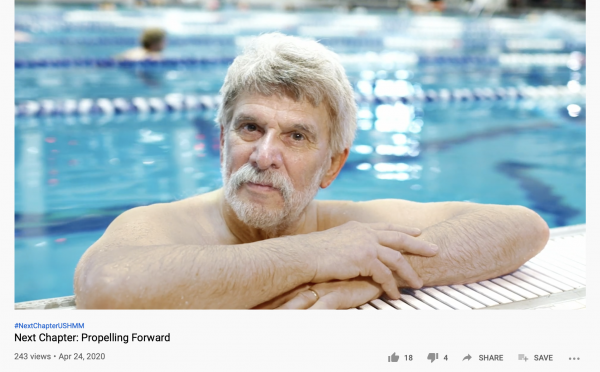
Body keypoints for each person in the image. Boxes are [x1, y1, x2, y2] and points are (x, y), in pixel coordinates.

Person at [75, 33, 549, 309]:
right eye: (250, 128)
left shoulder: (353, 229)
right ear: (221, 141)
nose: (263, 154)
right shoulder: (170, 225)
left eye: (296, 137)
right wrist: (313, 254)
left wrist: (360, 278)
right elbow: (107, 285)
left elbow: (522, 226)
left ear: (333, 165)